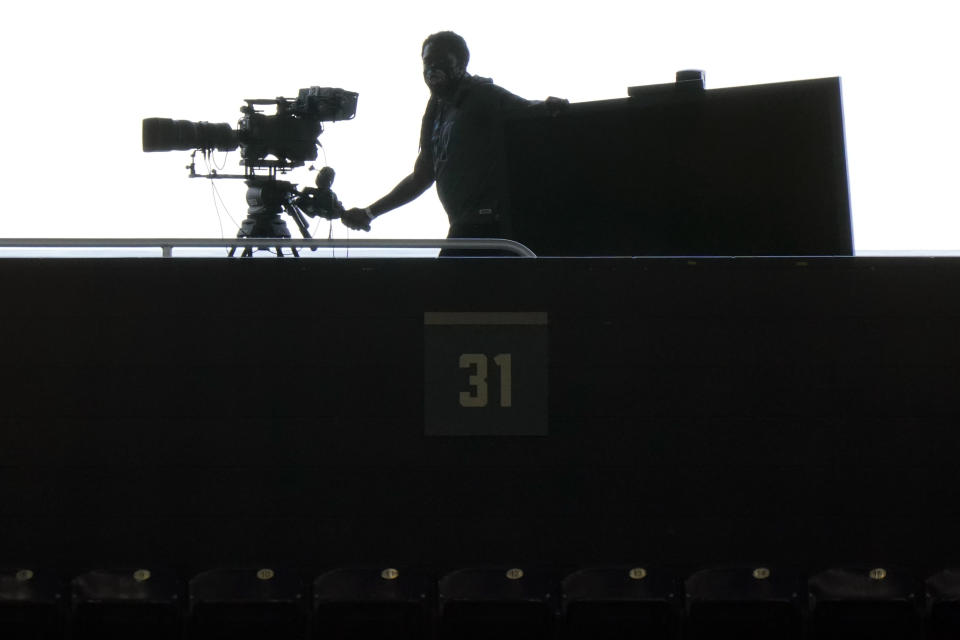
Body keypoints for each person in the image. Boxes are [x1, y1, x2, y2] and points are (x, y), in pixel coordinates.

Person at [340, 31, 565, 246]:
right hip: (462, 224)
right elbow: (423, 175)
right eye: (428, 62)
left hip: (490, 225)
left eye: (442, 61)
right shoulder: (436, 109)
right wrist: (370, 212)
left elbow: (526, 109)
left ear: (461, 64)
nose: (433, 68)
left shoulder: (482, 95)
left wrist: (548, 107)